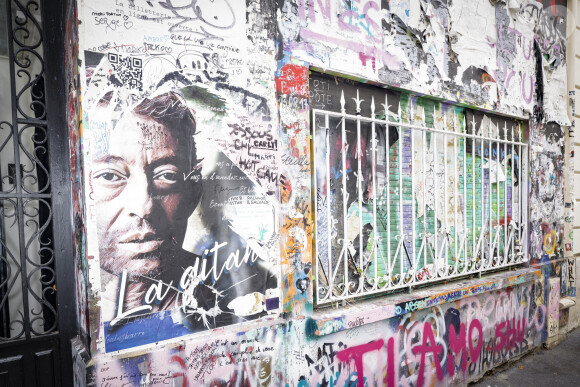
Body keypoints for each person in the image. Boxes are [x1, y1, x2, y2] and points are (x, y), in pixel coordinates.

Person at [91, 91, 277, 340]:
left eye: (166, 175)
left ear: (193, 193)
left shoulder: (241, 294)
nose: (144, 206)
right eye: (110, 176)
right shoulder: (76, 313)